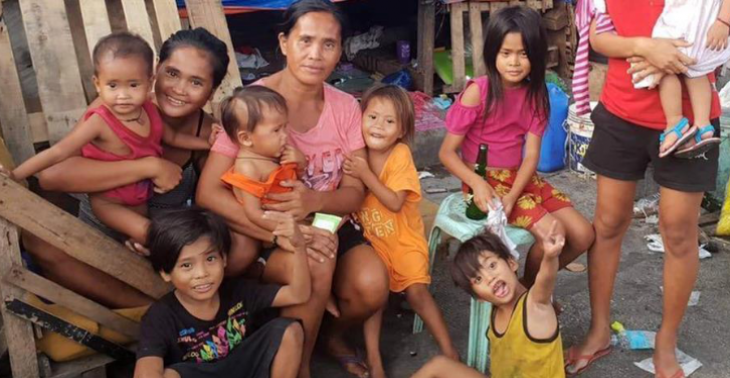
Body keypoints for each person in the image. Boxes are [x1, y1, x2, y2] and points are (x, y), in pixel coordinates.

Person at [196, 1, 388, 377]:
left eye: (329, 44)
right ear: (284, 42)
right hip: (264, 225)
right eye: (305, 41)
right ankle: (298, 368)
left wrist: (314, 201)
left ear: (341, 50)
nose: (316, 55)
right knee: (316, 258)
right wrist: (289, 231)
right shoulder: (252, 104)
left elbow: (354, 191)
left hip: (329, 217)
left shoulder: (347, 107)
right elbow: (208, 193)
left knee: (372, 285)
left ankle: (328, 336)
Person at [11, 28, 251, 309]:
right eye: (172, 73)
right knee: (40, 243)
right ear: (156, 71)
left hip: (159, 247)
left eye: (196, 82)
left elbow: (215, 207)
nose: (178, 89)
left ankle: (165, 306)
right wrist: (147, 166)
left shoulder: (210, 137)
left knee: (232, 250)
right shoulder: (117, 105)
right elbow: (52, 178)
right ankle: (157, 311)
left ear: (212, 90)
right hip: (96, 230)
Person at [564, 1, 723, 376]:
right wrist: (646, 48)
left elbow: (716, 34)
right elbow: (599, 36)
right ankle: (599, 329)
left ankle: (666, 343)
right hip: (622, 112)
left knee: (680, 233)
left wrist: (673, 56)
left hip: (690, 122)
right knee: (607, 223)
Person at [5, 32, 213, 245]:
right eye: (113, 86)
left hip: (140, 196)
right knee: (152, 236)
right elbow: (58, 152)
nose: (123, 95)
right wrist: (14, 176)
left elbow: (174, 137)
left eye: (133, 85)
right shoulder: (100, 120)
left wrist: (208, 143)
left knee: (141, 240)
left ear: (149, 81)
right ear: (97, 84)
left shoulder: (149, 110)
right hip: (109, 202)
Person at [439, 6, 594, 289]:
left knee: (583, 235)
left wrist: (513, 195)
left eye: (524, 54)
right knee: (552, 233)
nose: (514, 62)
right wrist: (477, 183)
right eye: (506, 53)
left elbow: (532, 155)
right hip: (485, 183)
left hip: (521, 179)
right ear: (492, 53)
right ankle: (531, 299)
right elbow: (446, 153)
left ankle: (529, 288)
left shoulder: (536, 96)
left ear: (536, 55)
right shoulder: (479, 91)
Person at [343, 85, 458, 377]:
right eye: (372, 117)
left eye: (389, 121)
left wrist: (365, 174)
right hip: (373, 241)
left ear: (402, 129)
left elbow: (394, 202)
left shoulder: (400, 154)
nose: (378, 126)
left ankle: (450, 352)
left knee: (418, 293)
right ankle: (374, 359)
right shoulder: (356, 154)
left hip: (403, 239)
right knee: (376, 298)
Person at [134, 207, 308, 378]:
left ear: (223, 259)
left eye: (210, 259)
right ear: (165, 272)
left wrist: (299, 247)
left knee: (289, 331)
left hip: (243, 368)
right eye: (186, 265)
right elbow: (146, 371)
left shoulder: (239, 291)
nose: (202, 273)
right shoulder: (160, 316)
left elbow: (297, 294)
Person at [411, 224, 566, 378]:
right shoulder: (496, 311)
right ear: (478, 298)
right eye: (478, 279)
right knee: (438, 365)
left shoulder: (535, 307)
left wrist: (550, 257)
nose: (489, 278)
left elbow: (544, 281)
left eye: (492, 265)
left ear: (511, 263)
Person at [640, 0, 729, 158]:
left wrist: (724, 21)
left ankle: (675, 122)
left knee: (664, 60)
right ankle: (703, 125)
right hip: (705, 16)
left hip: (691, 14)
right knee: (697, 68)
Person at [218, 86, 306, 234]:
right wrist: (292, 233)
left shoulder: (275, 151)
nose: (285, 135)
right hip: (273, 226)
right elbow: (253, 213)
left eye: (285, 127)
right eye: (277, 130)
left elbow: (298, 179)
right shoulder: (248, 167)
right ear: (246, 138)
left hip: (291, 216)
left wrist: (301, 163)